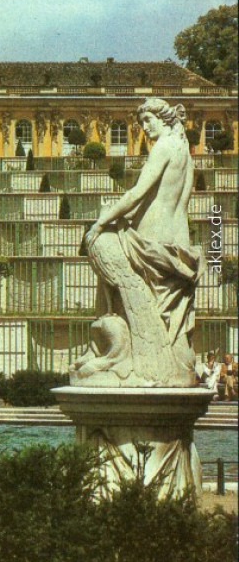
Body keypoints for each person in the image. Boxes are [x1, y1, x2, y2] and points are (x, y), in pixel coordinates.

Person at [74, 98, 201, 388]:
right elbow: (178, 202)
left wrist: (102, 221)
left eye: (148, 120)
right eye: (141, 123)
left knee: (100, 243)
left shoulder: (164, 148)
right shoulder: (184, 151)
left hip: (150, 243)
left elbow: (137, 193)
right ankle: (121, 349)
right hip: (176, 241)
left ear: (164, 118)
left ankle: (110, 351)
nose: (144, 128)